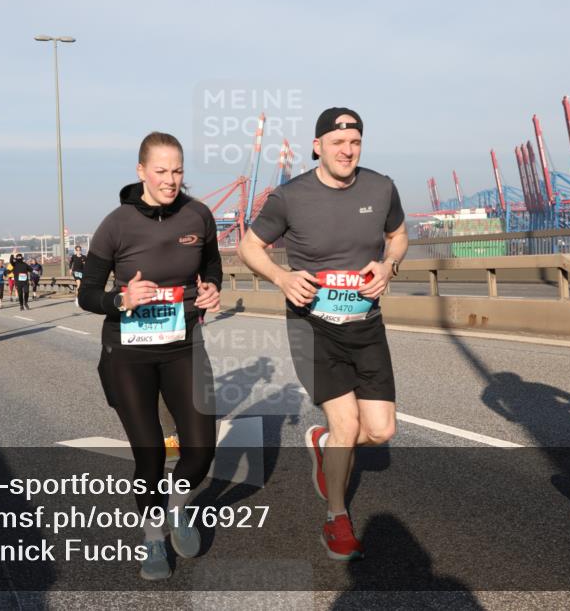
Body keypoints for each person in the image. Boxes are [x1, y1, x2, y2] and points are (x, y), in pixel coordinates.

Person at [238, 108, 407, 561]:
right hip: (312, 325)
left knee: (381, 430)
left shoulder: (381, 188)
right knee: (347, 422)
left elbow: (398, 236)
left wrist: (389, 265)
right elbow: (249, 246)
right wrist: (281, 278)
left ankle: (324, 443)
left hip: (366, 324)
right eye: (337, 143)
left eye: (354, 143)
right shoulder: (290, 197)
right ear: (318, 147)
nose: (347, 151)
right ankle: (337, 518)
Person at [79, 131, 222, 580]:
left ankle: (177, 507)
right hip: (128, 352)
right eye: (161, 170)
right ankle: (153, 538)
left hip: (183, 346)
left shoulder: (198, 215)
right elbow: (87, 293)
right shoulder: (116, 224)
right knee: (150, 455)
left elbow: (212, 265)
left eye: (177, 170)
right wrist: (120, 300)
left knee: (200, 450)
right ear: (141, 171)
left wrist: (212, 288)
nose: (170, 179)